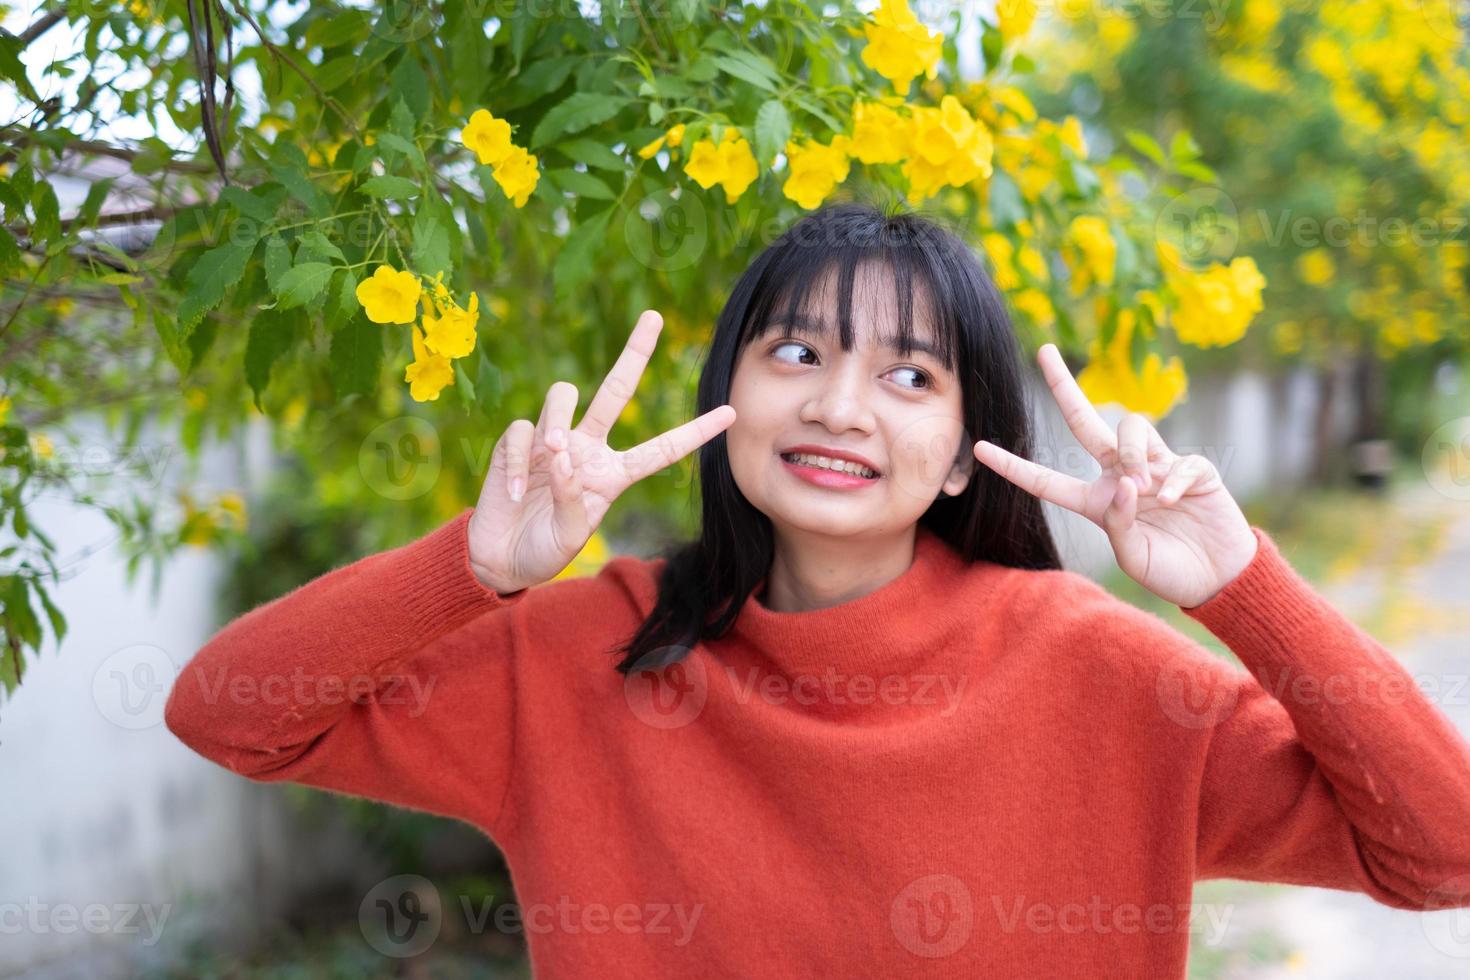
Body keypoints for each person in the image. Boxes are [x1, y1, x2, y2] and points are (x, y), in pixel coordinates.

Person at [165, 201, 1470, 978]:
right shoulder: (587, 649)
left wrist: (1240, 584)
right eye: (796, 351)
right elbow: (230, 714)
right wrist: (476, 568)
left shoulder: (1101, 673)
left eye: (908, 375)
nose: (839, 405)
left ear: (968, 451)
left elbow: (1441, 854)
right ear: (730, 395)